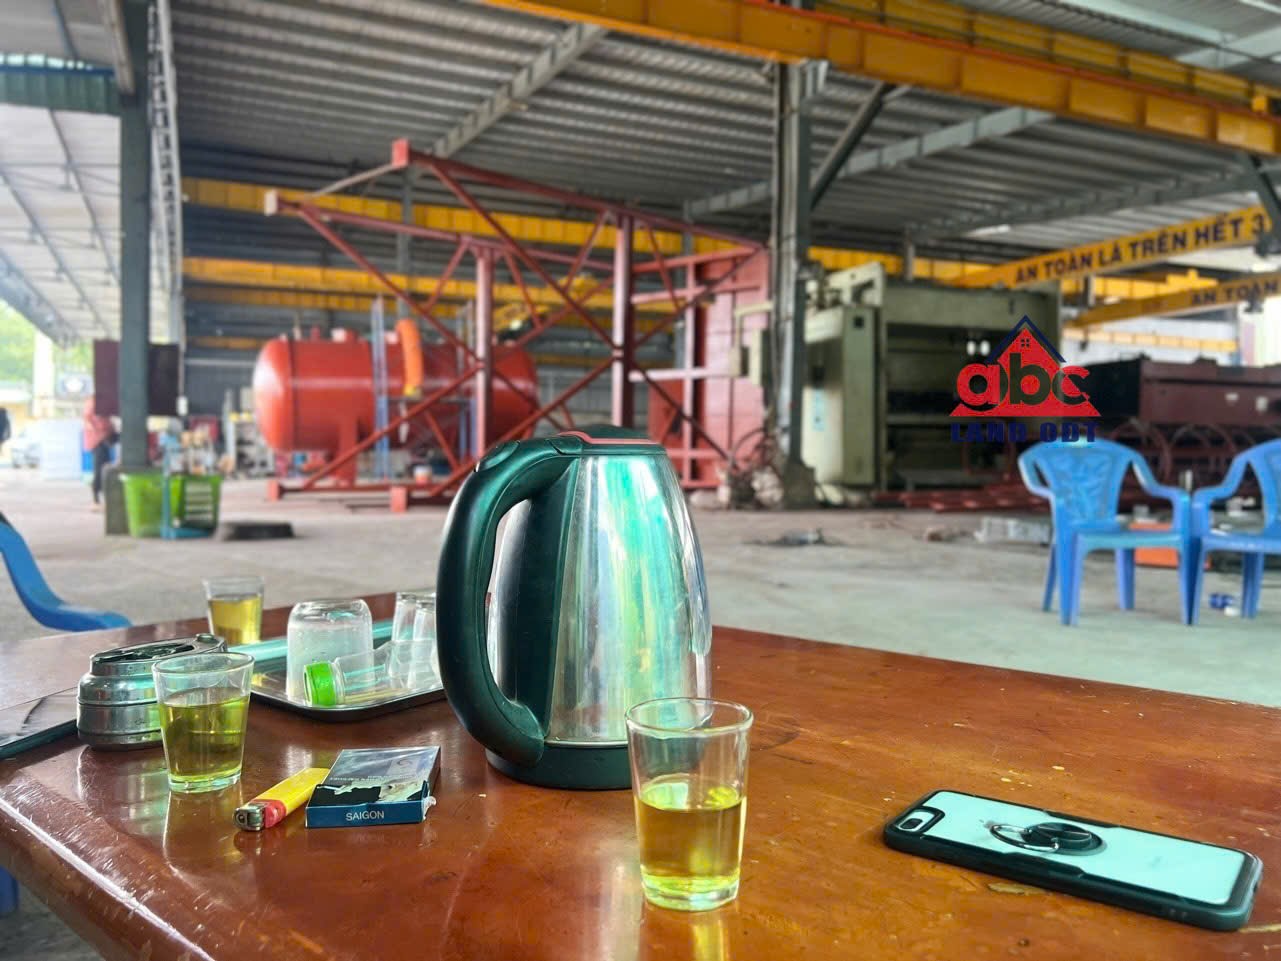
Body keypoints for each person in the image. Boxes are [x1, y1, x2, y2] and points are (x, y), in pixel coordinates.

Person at [83, 398, 116, 508]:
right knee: (99, 470)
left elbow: (107, 422)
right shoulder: (93, 403)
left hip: (104, 438)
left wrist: (110, 429)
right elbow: (89, 420)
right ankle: (96, 500)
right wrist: (100, 431)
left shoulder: (101, 404)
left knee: (105, 469)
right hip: (97, 441)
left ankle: (103, 498)